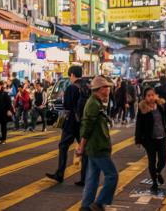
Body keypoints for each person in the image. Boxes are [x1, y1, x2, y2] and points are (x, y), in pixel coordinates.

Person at [78, 76, 118, 211]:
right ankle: (99, 203)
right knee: (112, 175)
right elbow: (87, 127)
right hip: (97, 147)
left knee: (92, 178)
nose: (109, 90)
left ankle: (86, 206)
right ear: (101, 89)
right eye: (107, 87)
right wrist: (81, 146)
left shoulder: (97, 102)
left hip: (96, 146)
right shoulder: (93, 104)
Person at [46, 65, 88, 185]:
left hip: (71, 123)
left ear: (72, 75)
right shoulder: (86, 86)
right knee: (84, 149)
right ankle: (85, 178)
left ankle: (60, 173)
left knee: (63, 146)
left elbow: (67, 106)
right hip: (83, 123)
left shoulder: (71, 88)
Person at [135, 86, 166, 194]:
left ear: (155, 96)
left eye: (152, 95)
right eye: (148, 95)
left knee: (163, 159)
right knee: (152, 161)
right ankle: (154, 182)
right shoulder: (142, 108)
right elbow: (139, 124)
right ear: (144, 97)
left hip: (162, 137)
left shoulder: (161, 105)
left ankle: (158, 173)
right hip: (149, 140)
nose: (150, 97)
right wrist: (138, 139)